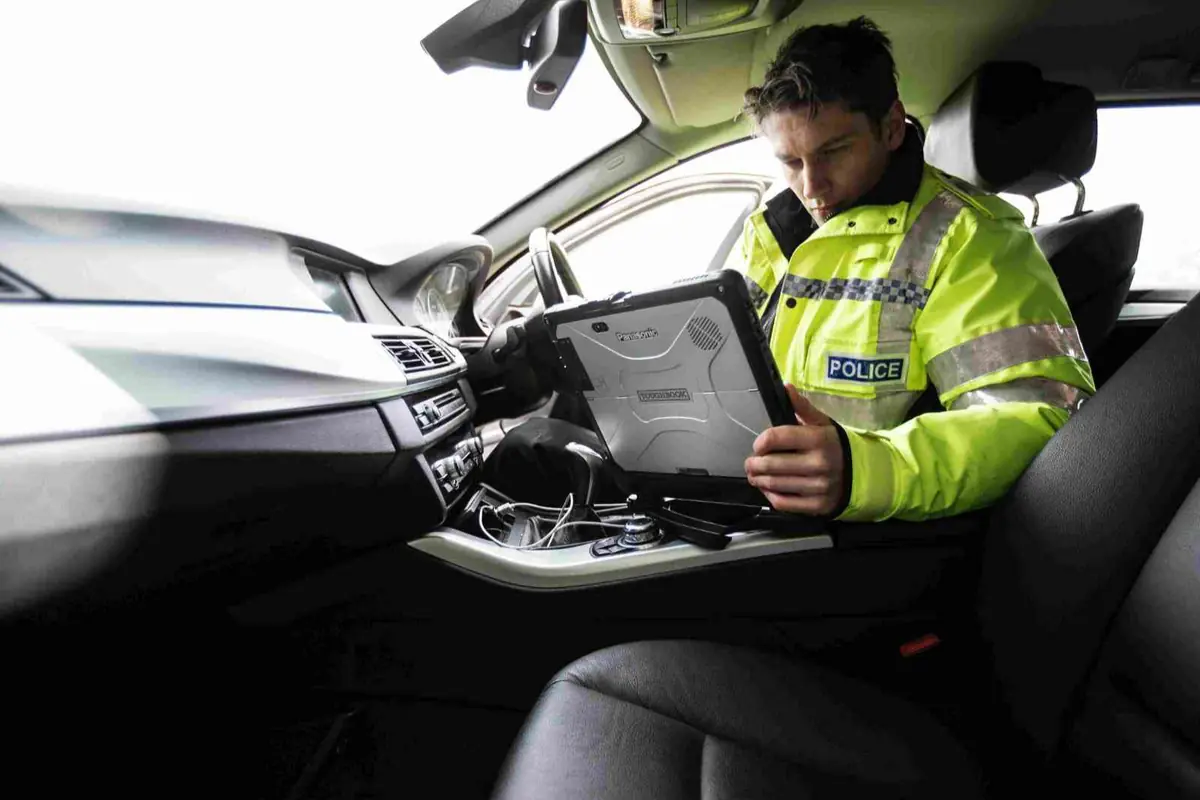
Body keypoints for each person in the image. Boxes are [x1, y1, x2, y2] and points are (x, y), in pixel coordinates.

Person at [484, 16, 1093, 523]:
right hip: (740, 491)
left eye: (832, 152)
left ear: (889, 126)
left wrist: (862, 469)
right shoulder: (779, 228)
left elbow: (1035, 423)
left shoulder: (973, 240)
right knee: (537, 450)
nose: (812, 185)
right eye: (790, 161)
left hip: (845, 534)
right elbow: (707, 343)